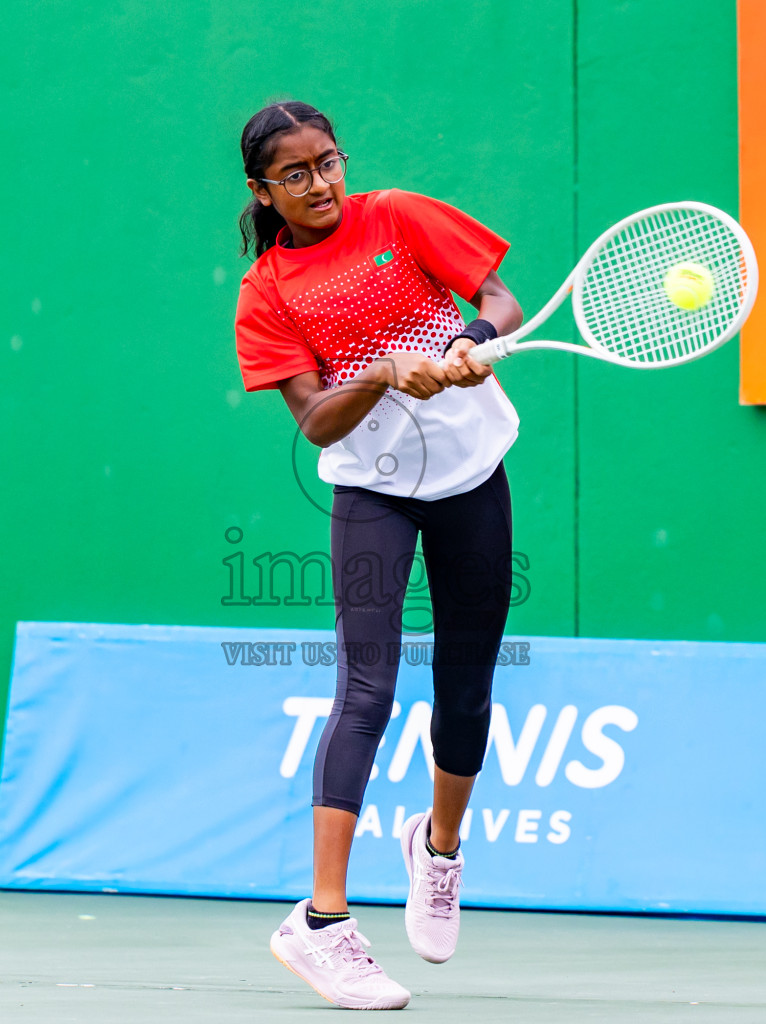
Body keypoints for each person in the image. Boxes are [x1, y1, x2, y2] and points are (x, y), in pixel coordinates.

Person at [233, 100, 522, 1011]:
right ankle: (321, 922)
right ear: (262, 191)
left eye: (327, 163)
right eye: (296, 174)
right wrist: (384, 371)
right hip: (373, 491)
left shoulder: (397, 215)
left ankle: (438, 851)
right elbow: (315, 417)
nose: (319, 184)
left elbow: (501, 299)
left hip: (474, 474)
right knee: (366, 688)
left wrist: (474, 341)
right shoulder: (268, 291)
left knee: (469, 680)